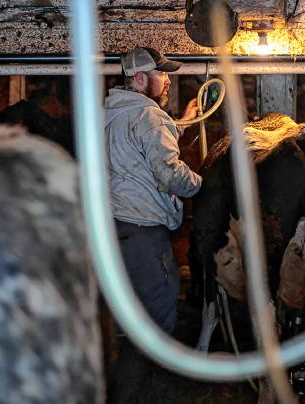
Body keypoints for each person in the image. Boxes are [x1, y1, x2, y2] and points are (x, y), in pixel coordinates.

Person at [104, 47, 202, 403]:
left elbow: (137, 144)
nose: (167, 80)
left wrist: (183, 122)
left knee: (121, 317)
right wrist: (200, 185)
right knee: (156, 319)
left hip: (111, 230)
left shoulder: (106, 113)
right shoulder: (149, 115)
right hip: (144, 234)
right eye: (161, 75)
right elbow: (168, 173)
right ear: (141, 78)